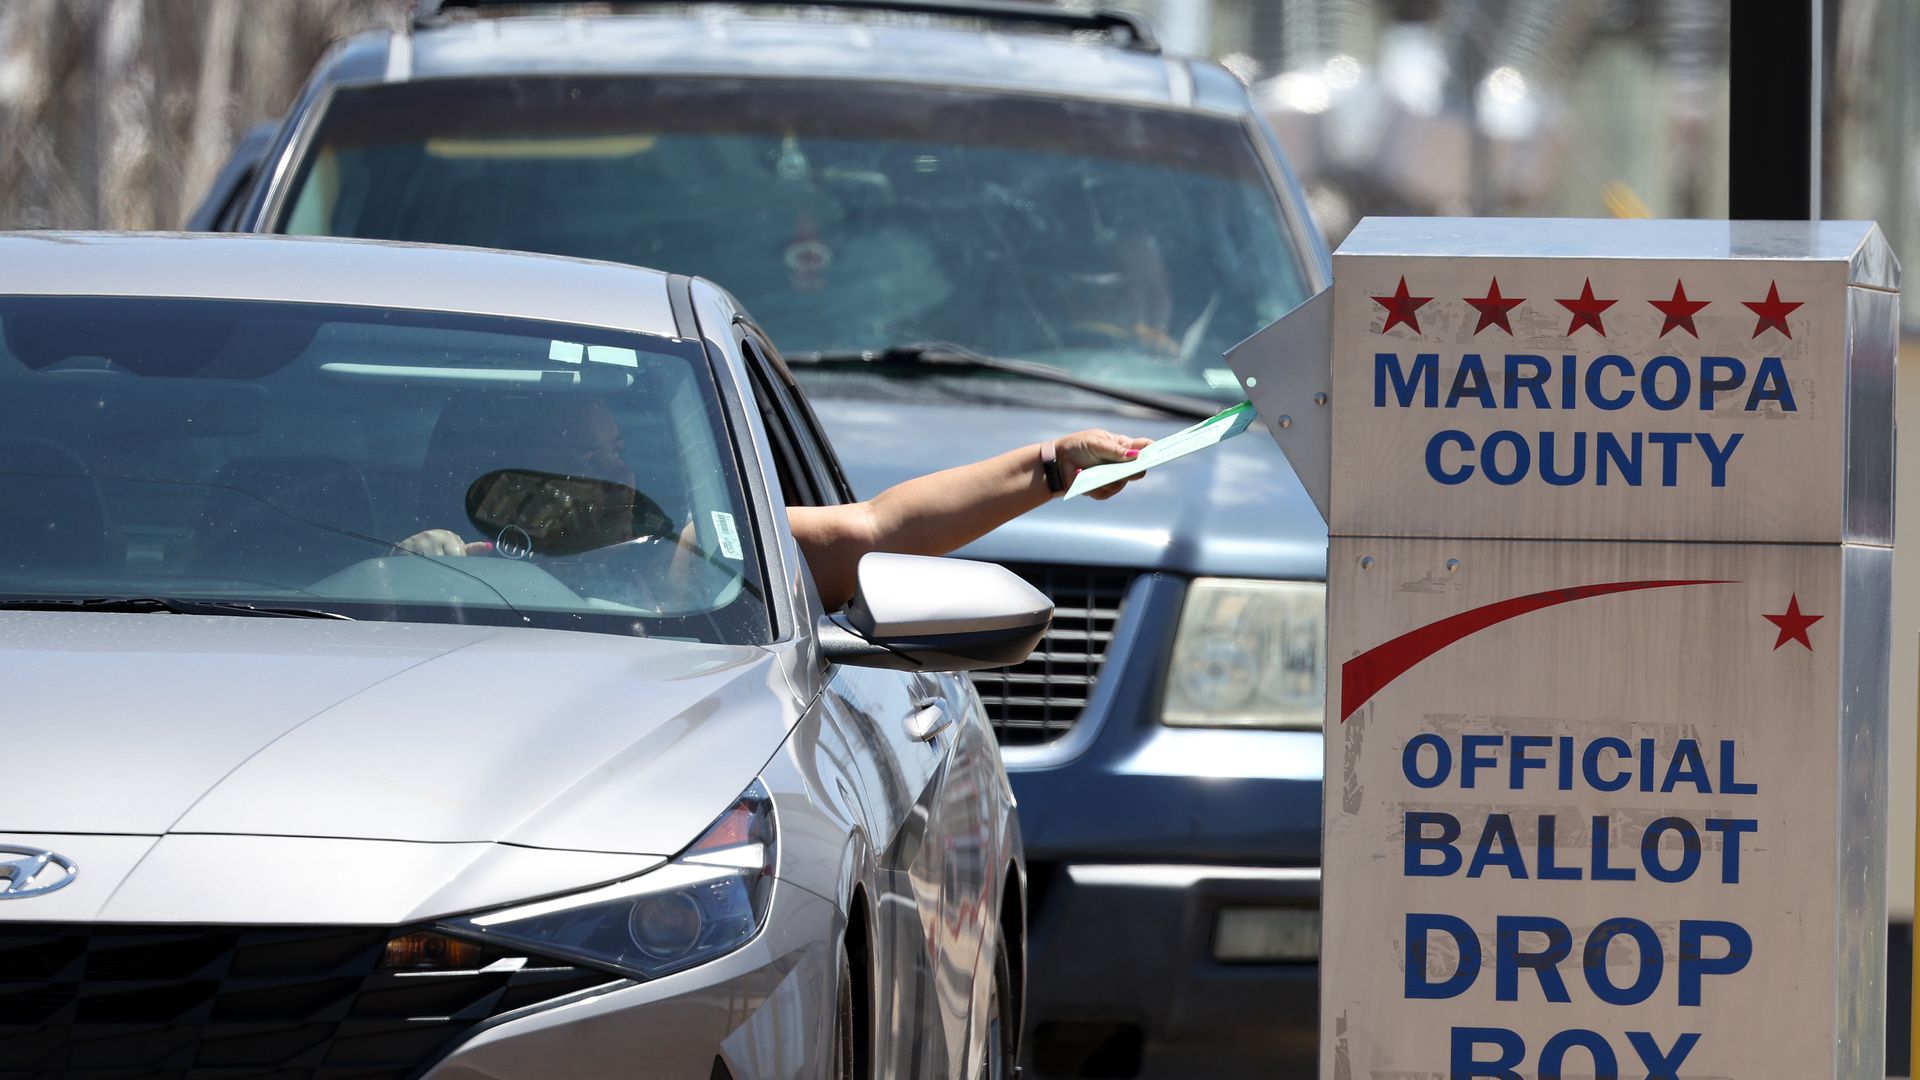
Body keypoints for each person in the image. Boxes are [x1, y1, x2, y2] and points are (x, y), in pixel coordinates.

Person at [397, 395, 1148, 609]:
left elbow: (882, 527)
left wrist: (1051, 466)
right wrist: (405, 571)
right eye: (583, 461)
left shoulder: (703, 562)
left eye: (618, 456)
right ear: (506, 493)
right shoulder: (454, 570)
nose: (614, 479)